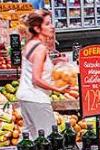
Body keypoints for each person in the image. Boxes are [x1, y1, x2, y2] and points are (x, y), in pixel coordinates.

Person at [17, 10, 65, 138]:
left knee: (30, 139)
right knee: (49, 138)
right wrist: (57, 89)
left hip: (26, 97)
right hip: (37, 99)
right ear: (37, 28)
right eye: (48, 24)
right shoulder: (40, 48)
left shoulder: (31, 44)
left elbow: (36, 66)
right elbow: (36, 79)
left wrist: (55, 62)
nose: (52, 27)